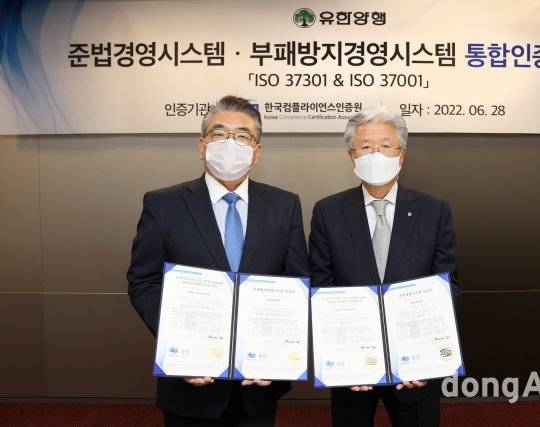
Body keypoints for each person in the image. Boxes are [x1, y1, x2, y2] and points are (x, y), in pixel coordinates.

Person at [127, 95, 309, 426]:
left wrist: (276, 354)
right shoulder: (163, 205)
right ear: (202, 146)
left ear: (257, 152)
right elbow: (144, 281)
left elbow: (296, 283)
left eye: (242, 136)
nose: (230, 143)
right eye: (219, 133)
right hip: (189, 385)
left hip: (258, 383)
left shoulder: (284, 205)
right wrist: (177, 343)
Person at [308, 106, 460, 427]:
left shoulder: (433, 211)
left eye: (385, 145)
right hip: (353, 369)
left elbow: (447, 287)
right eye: (365, 146)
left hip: (416, 369)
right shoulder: (328, 212)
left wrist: (428, 356)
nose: (375, 154)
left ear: (401, 154)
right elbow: (322, 288)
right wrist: (342, 356)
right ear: (351, 156)